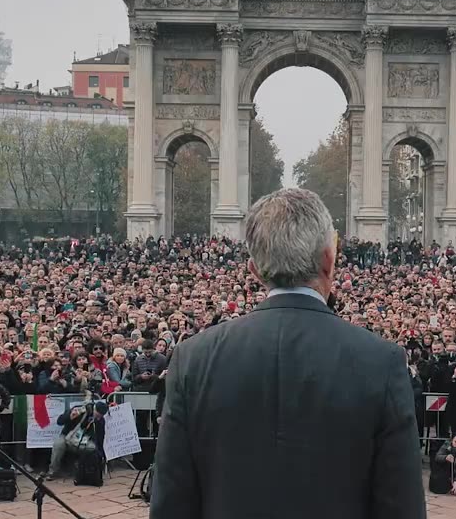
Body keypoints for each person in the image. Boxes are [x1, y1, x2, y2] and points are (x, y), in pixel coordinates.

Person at [150, 188, 425, 519]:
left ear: (254, 270)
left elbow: (171, 507)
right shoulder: (383, 362)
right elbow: (401, 509)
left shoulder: (191, 359)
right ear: (329, 259)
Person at [45, 400, 107, 481]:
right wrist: (69, 416)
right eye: (97, 415)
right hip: (68, 436)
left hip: (84, 440)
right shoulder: (79, 410)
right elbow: (59, 421)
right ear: (95, 409)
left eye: (100, 416)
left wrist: (101, 455)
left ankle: (84, 470)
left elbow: (100, 438)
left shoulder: (100, 421)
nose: (98, 418)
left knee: (92, 448)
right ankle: (52, 471)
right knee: (58, 444)